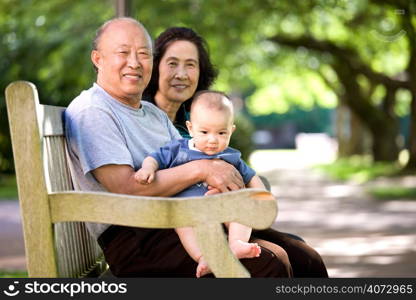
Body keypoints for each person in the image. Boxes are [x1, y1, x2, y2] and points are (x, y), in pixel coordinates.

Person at [64, 17, 292, 277]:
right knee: (270, 262)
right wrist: (203, 171)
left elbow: (190, 155)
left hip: (183, 217)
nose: (135, 63)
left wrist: (217, 188)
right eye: (123, 53)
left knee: (304, 257)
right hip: (139, 238)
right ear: (98, 59)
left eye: (143, 54)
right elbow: (126, 189)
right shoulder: (93, 110)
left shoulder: (152, 113)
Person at [143, 26, 328, 277]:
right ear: (155, 67)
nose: (182, 74)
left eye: (191, 65)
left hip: (225, 216)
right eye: (172, 63)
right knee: (276, 258)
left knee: (307, 258)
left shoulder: (204, 112)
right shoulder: (144, 117)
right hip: (181, 223)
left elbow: (235, 166)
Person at [136, 91, 266, 277]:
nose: (212, 140)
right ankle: (202, 257)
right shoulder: (178, 149)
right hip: (189, 210)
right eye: (204, 132)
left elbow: (251, 177)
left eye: (222, 133)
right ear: (190, 128)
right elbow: (154, 158)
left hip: (223, 207)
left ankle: (236, 243)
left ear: (231, 131)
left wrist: (261, 197)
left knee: (243, 207)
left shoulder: (230, 156)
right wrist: (147, 169)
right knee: (183, 225)